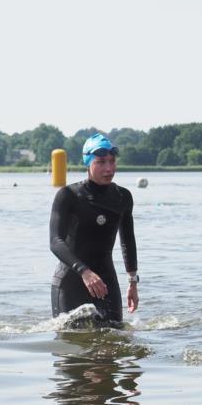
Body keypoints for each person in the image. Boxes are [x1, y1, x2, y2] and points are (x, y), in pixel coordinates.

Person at [49, 133, 138, 323]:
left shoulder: (123, 197)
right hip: (71, 281)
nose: (109, 168)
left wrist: (132, 281)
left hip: (106, 281)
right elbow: (55, 242)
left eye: (112, 161)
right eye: (101, 162)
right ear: (88, 163)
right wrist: (85, 272)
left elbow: (127, 241)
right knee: (71, 346)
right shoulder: (68, 195)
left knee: (115, 340)